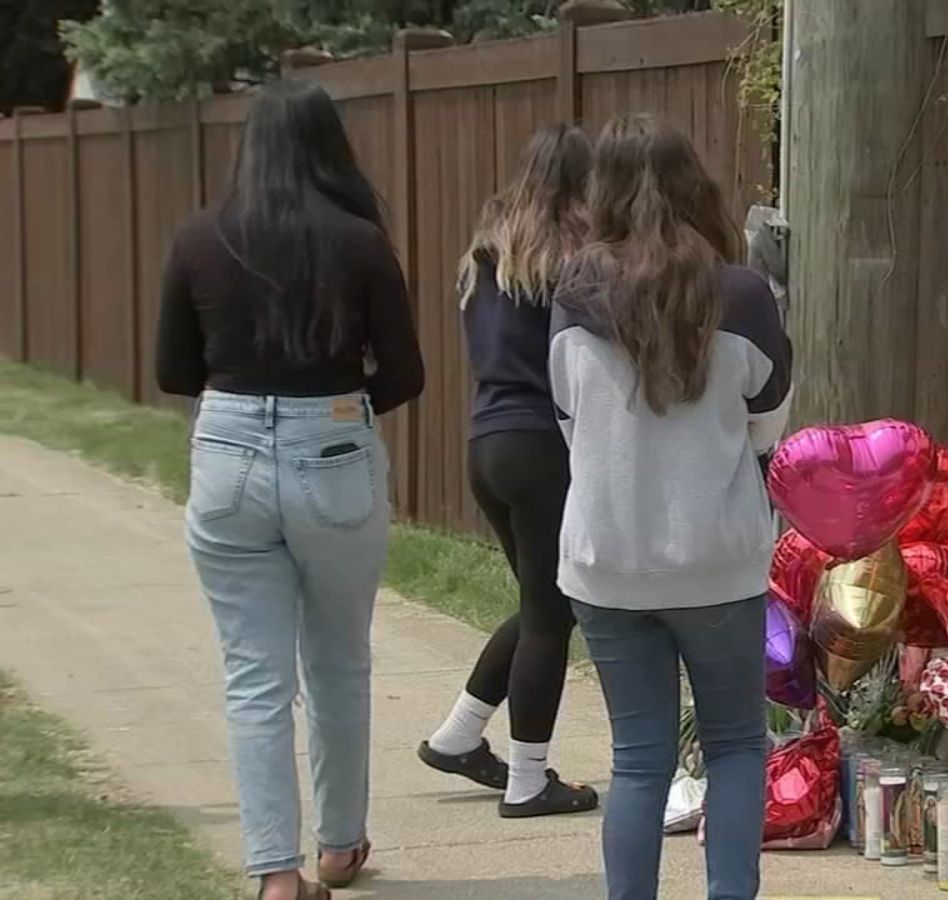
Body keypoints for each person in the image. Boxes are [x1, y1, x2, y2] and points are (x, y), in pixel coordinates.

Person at [155, 80, 423, 900]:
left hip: (230, 453)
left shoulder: (199, 238)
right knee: (339, 660)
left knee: (253, 676)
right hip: (334, 448)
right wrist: (338, 413)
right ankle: (340, 846)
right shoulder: (359, 241)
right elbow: (405, 374)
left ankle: (276, 871)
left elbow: (174, 372)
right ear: (327, 146)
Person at [550, 114, 792, 900]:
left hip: (607, 561)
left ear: (603, 194)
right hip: (717, 559)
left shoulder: (573, 295)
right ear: (698, 186)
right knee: (733, 747)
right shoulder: (745, 295)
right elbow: (768, 426)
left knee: (638, 756)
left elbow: (567, 420)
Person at [415, 122, 600, 818]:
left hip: (486, 444)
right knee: (553, 613)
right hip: (542, 446)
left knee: (540, 603)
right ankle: (529, 778)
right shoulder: (570, 258)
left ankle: (460, 735)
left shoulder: (485, 255)